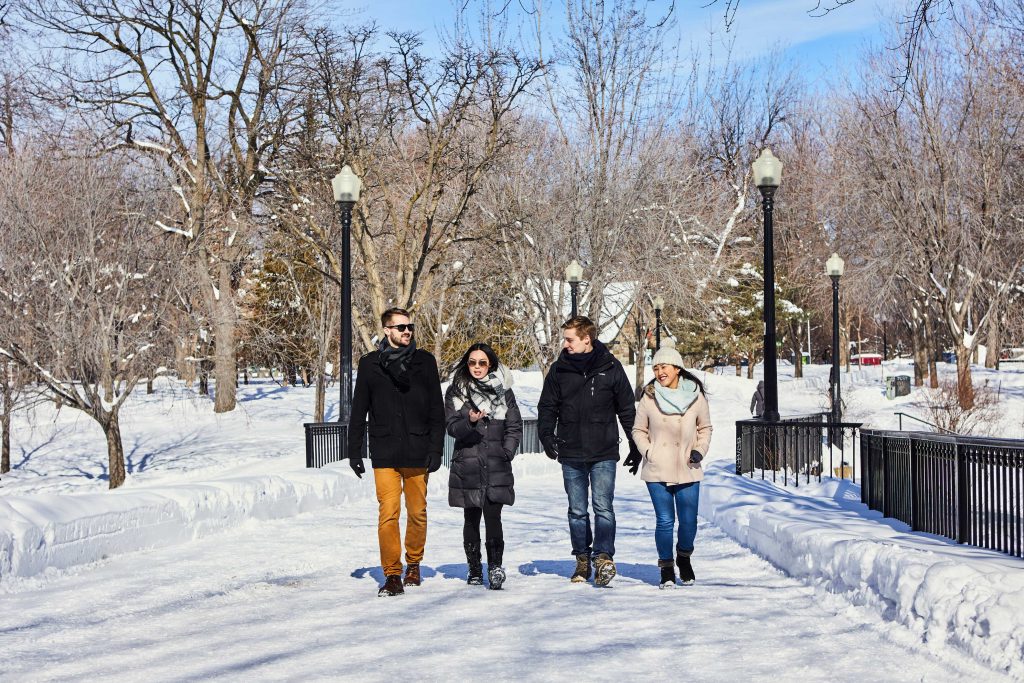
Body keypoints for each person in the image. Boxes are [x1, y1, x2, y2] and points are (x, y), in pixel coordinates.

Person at [348, 308, 445, 597]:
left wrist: (436, 448)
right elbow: (359, 410)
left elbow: (436, 410)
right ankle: (392, 573)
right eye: (400, 327)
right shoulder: (370, 365)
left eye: (409, 327)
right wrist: (354, 452)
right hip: (385, 451)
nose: (407, 332)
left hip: (417, 450)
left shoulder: (425, 362)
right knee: (388, 514)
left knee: (417, 512)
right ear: (386, 330)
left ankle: (413, 563)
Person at [538, 315, 640, 586]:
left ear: (587, 339)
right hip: (571, 451)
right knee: (577, 510)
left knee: (603, 507)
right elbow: (547, 407)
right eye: (565, 339)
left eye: (570, 339)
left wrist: (635, 443)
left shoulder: (611, 367)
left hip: (603, 450)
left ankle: (604, 556)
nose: (566, 344)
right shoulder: (559, 370)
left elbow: (627, 409)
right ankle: (582, 558)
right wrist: (547, 436)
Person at [631, 341, 713, 588]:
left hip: (688, 465)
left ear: (677, 368)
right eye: (655, 368)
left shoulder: (695, 396)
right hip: (657, 467)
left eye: (664, 367)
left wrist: (699, 450)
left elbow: (705, 428)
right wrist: (648, 452)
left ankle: (684, 557)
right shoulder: (649, 396)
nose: (659, 372)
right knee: (665, 520)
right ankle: (666, 566)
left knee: (689, 521)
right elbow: (638, 430)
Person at [444, 343, 523, 590]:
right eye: (472, 362)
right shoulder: (456, 392)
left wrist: (506, 451)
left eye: (482, 363)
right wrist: (469, 420)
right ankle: (475, 568)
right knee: (471, 518)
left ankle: (495, 567)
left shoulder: (504, 391)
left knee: (493, 517)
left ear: (491, 364)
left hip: (495, 463)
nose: (476, 367)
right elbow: (451, 427)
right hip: (467, 463)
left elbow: (514, 425)